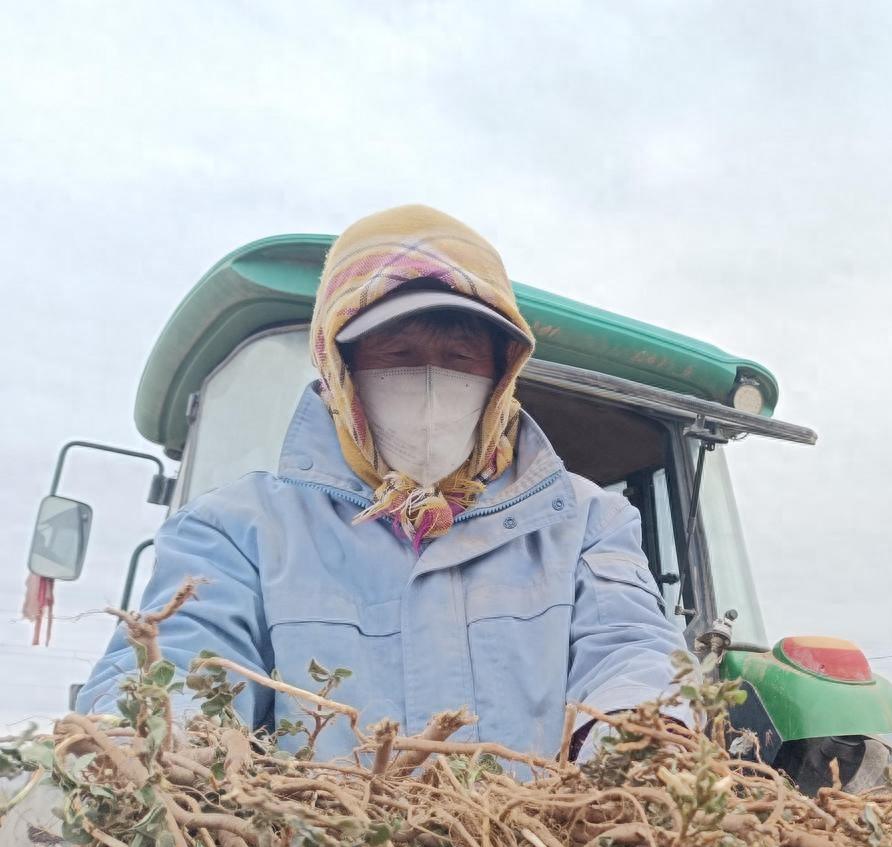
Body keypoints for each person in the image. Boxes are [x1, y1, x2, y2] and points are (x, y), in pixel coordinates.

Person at [77, 205, 687, 762]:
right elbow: (183, 662)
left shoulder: (584, 518)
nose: (428, 381)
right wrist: (161, 744)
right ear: (341, 369)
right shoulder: (237, 530)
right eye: (396, 353)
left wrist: (638, 738)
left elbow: (628, 646)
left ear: (502, 372)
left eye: (460, 357)